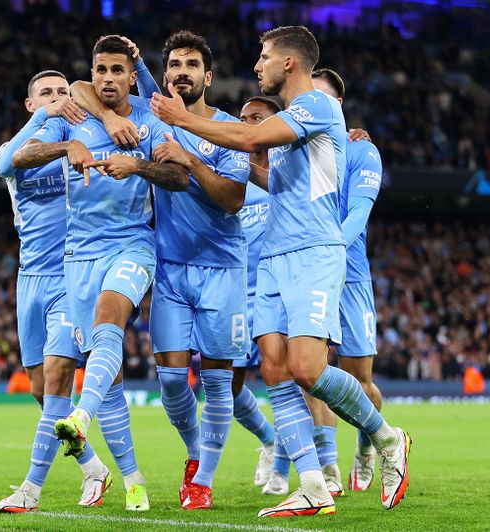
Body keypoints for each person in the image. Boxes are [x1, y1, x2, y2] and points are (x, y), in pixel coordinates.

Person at [151, 25, 410, 517]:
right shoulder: (295, 121)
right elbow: (270, 176)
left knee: (308, 368)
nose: (257, 65)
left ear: (290, 63)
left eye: (264, 56)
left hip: (314, 252)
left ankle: (388, 437)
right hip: (271, 257)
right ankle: (312, 482)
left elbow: (248, 136)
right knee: (273, 369)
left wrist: (182, 121)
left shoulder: (317, 106)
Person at [71, 31, 249, 511]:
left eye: (192, 64)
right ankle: (195, 452)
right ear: (163, 73)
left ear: (207, 77)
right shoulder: (153, 118)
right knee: (171, 382)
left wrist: (185, 158)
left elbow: (233, 200)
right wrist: (111, 117)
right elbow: (80, 87)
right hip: (171, 267)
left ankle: (203, 479)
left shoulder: (229, 128)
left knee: (215, 381)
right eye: (174, 64)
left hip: (223, 269)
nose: (182, 72)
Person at [12, 34, 189, 512]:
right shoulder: (73, 114)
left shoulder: (149, 120)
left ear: (132, 76)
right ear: (92, 75)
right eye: (100, 71)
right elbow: (20, 156)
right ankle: (132, 479)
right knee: (104, 380)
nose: (108, 79)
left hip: (132, 246)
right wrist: (64, 147)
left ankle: (79, 419)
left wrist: (138, 165)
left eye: (117, 71)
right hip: (77, 258)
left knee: (110, 317)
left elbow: (180, 176)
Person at [0, 70, 113, 513]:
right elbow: (3, 164)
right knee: (43, 392)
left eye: (64, 92)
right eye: (47, 94)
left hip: (70, 279)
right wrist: (48, 118)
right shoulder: (22, 152)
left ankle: (30, 490)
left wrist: (71, 135)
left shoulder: (81, 144)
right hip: (30, 282)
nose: (60, 99)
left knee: (60, 378)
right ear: (32, 105)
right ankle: (92, 468)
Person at [304, 68, 385, 496]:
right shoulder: (300, 144)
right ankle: (328, 465)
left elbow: (359, 213)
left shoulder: (360, 151)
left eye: (321, 98)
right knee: (312, 372)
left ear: (337, 105)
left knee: (359, 379)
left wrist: (331, 247)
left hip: (349, 273)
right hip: (311, 270)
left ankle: (367, 447)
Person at [236, 96, 295, 496]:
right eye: (242, 119)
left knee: (284, 384)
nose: (248, 124)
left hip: (279, 295)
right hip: (236, 298)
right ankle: (268, 436)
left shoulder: (293, 174)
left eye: (257, 118)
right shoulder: (233, 175)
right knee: (226, 387)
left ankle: (283, 470)